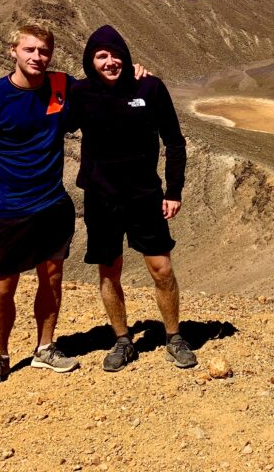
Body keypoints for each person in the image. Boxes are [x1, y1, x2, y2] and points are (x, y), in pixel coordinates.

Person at [70, 25, 196, 371]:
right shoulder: (80, 93)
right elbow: (49, 111)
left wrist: (174, 191)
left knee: (162, 268)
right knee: (109, 272)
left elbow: (175, 142)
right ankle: (123, 340)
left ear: (126, 57)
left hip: (144, 196)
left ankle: (174, 336)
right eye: (101, 56)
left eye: (116, 55)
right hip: (100, 197)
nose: (110, 62)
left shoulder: (150, 87)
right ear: (90, 61)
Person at [0, 23, 79, 389]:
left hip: (51, 205)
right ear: (13, 50)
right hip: (8, 211)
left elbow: (106, 92)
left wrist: (137, 76)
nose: (37, 58)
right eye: (29, 50)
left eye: (44, 51)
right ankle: (0, 357)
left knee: (52, 278)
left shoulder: (61, 86)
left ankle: (45, 347)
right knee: (3, 288)